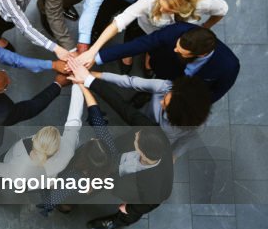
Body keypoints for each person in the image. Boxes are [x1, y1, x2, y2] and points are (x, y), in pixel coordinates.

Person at [74, 81, 174, 229]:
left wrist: (130, 208)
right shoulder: (150, 130)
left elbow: (152, 202)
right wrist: (89, 81)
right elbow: (123, 107)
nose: (135, 135)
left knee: (128, 211)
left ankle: (117, 221)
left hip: (134, 189)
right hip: (115, 164)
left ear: (141, 151)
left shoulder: (154, 184)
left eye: (136, 139)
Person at [66, 60, 212, 157]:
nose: (161, 102)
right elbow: (130, 82)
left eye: (166, 107)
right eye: (165, 98)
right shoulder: (165, 87)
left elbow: (184, 143)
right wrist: (93, 76)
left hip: (155, 137)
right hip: (141, 117)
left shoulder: (195, 127)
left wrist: (173, 156)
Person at [77, 0, 228, 67]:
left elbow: (222, 9)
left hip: (176, 35)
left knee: (160, 50)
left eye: (168, 9)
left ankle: (149, 55)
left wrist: (206, 27)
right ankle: (129, 55)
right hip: (145, 28)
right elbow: (120, 21)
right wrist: (93, 50)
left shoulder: (203, 2)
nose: (161, 9)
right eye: (161, 4)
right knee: (134, 39)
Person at [87, 23, 239, 103]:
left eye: (180, 51)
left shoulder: (229, 66)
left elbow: (215, 94)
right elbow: (140, 44)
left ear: (200, 54)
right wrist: (97, 57)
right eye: (176, 45)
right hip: (165, 67)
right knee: (157, 79)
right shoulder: (177, 30)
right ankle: (146, 92)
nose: (174, 50)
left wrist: (186, 106)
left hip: (189, 89)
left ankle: (149, 94)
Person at [0, 84, 85, 182]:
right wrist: (78, 84)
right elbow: (74, 119)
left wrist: (78, 84)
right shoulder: (68, 149)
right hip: (35, 183)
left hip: (13, 172)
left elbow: (3, 169)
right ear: (57, 149)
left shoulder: (21, 148)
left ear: (33, 139)